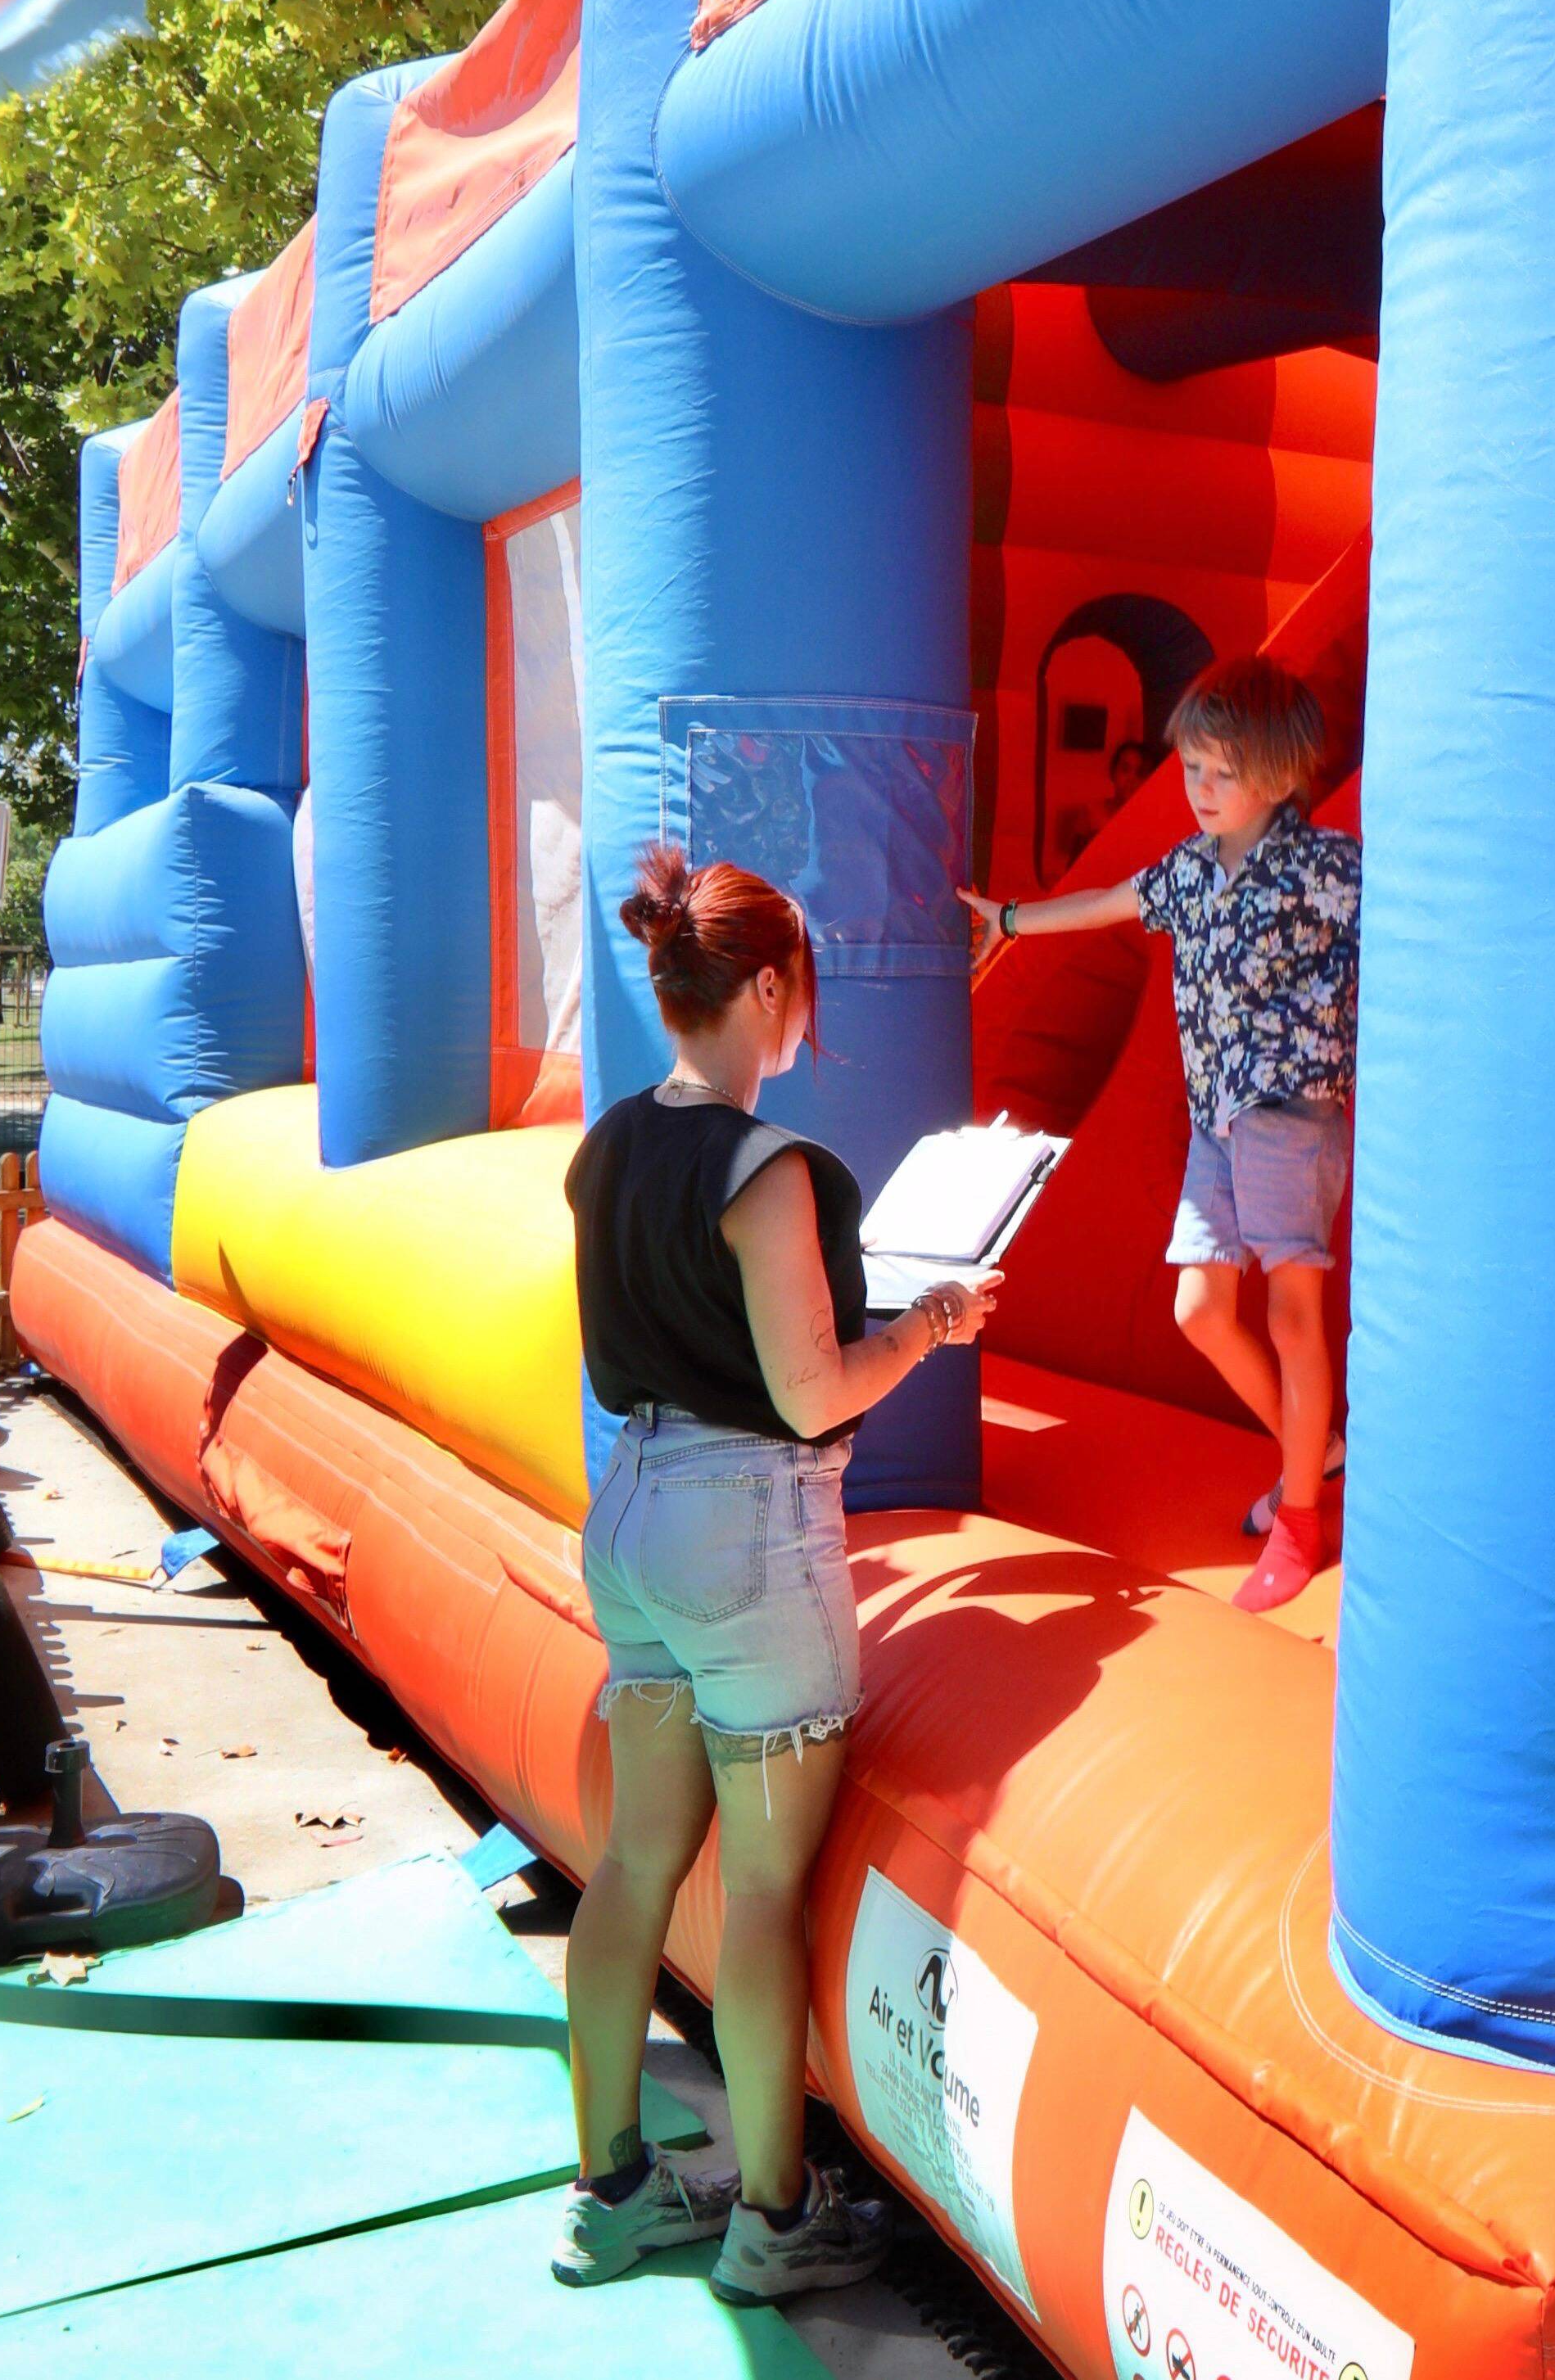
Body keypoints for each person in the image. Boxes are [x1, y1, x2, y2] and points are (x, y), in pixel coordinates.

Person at [555, 843, 1001, 2300]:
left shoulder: (608, 1141)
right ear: (762, 986)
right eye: (801, 983)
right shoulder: (767, 1169)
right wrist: (931, 1321)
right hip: (748, 1529)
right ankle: (772, 2212)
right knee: (760, 1891)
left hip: (629, 1508)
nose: (806, 1008)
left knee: (631, 1861)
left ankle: (611, 2186)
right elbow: (810, 1392)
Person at [963, 657, 1356, 1611]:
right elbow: (1106, 904)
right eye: (1192, 769)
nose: (1201, 789)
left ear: (1279, 772)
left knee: (1291, 1311)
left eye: (1222, 772)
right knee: (1199, 1312)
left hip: (1289, 1116)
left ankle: (1300, 1521)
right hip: (1217, 1119)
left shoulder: (1323, 868)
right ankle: (1322, 1454)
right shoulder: (1189, 870)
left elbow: (1413, 936)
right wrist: (1009, 918)